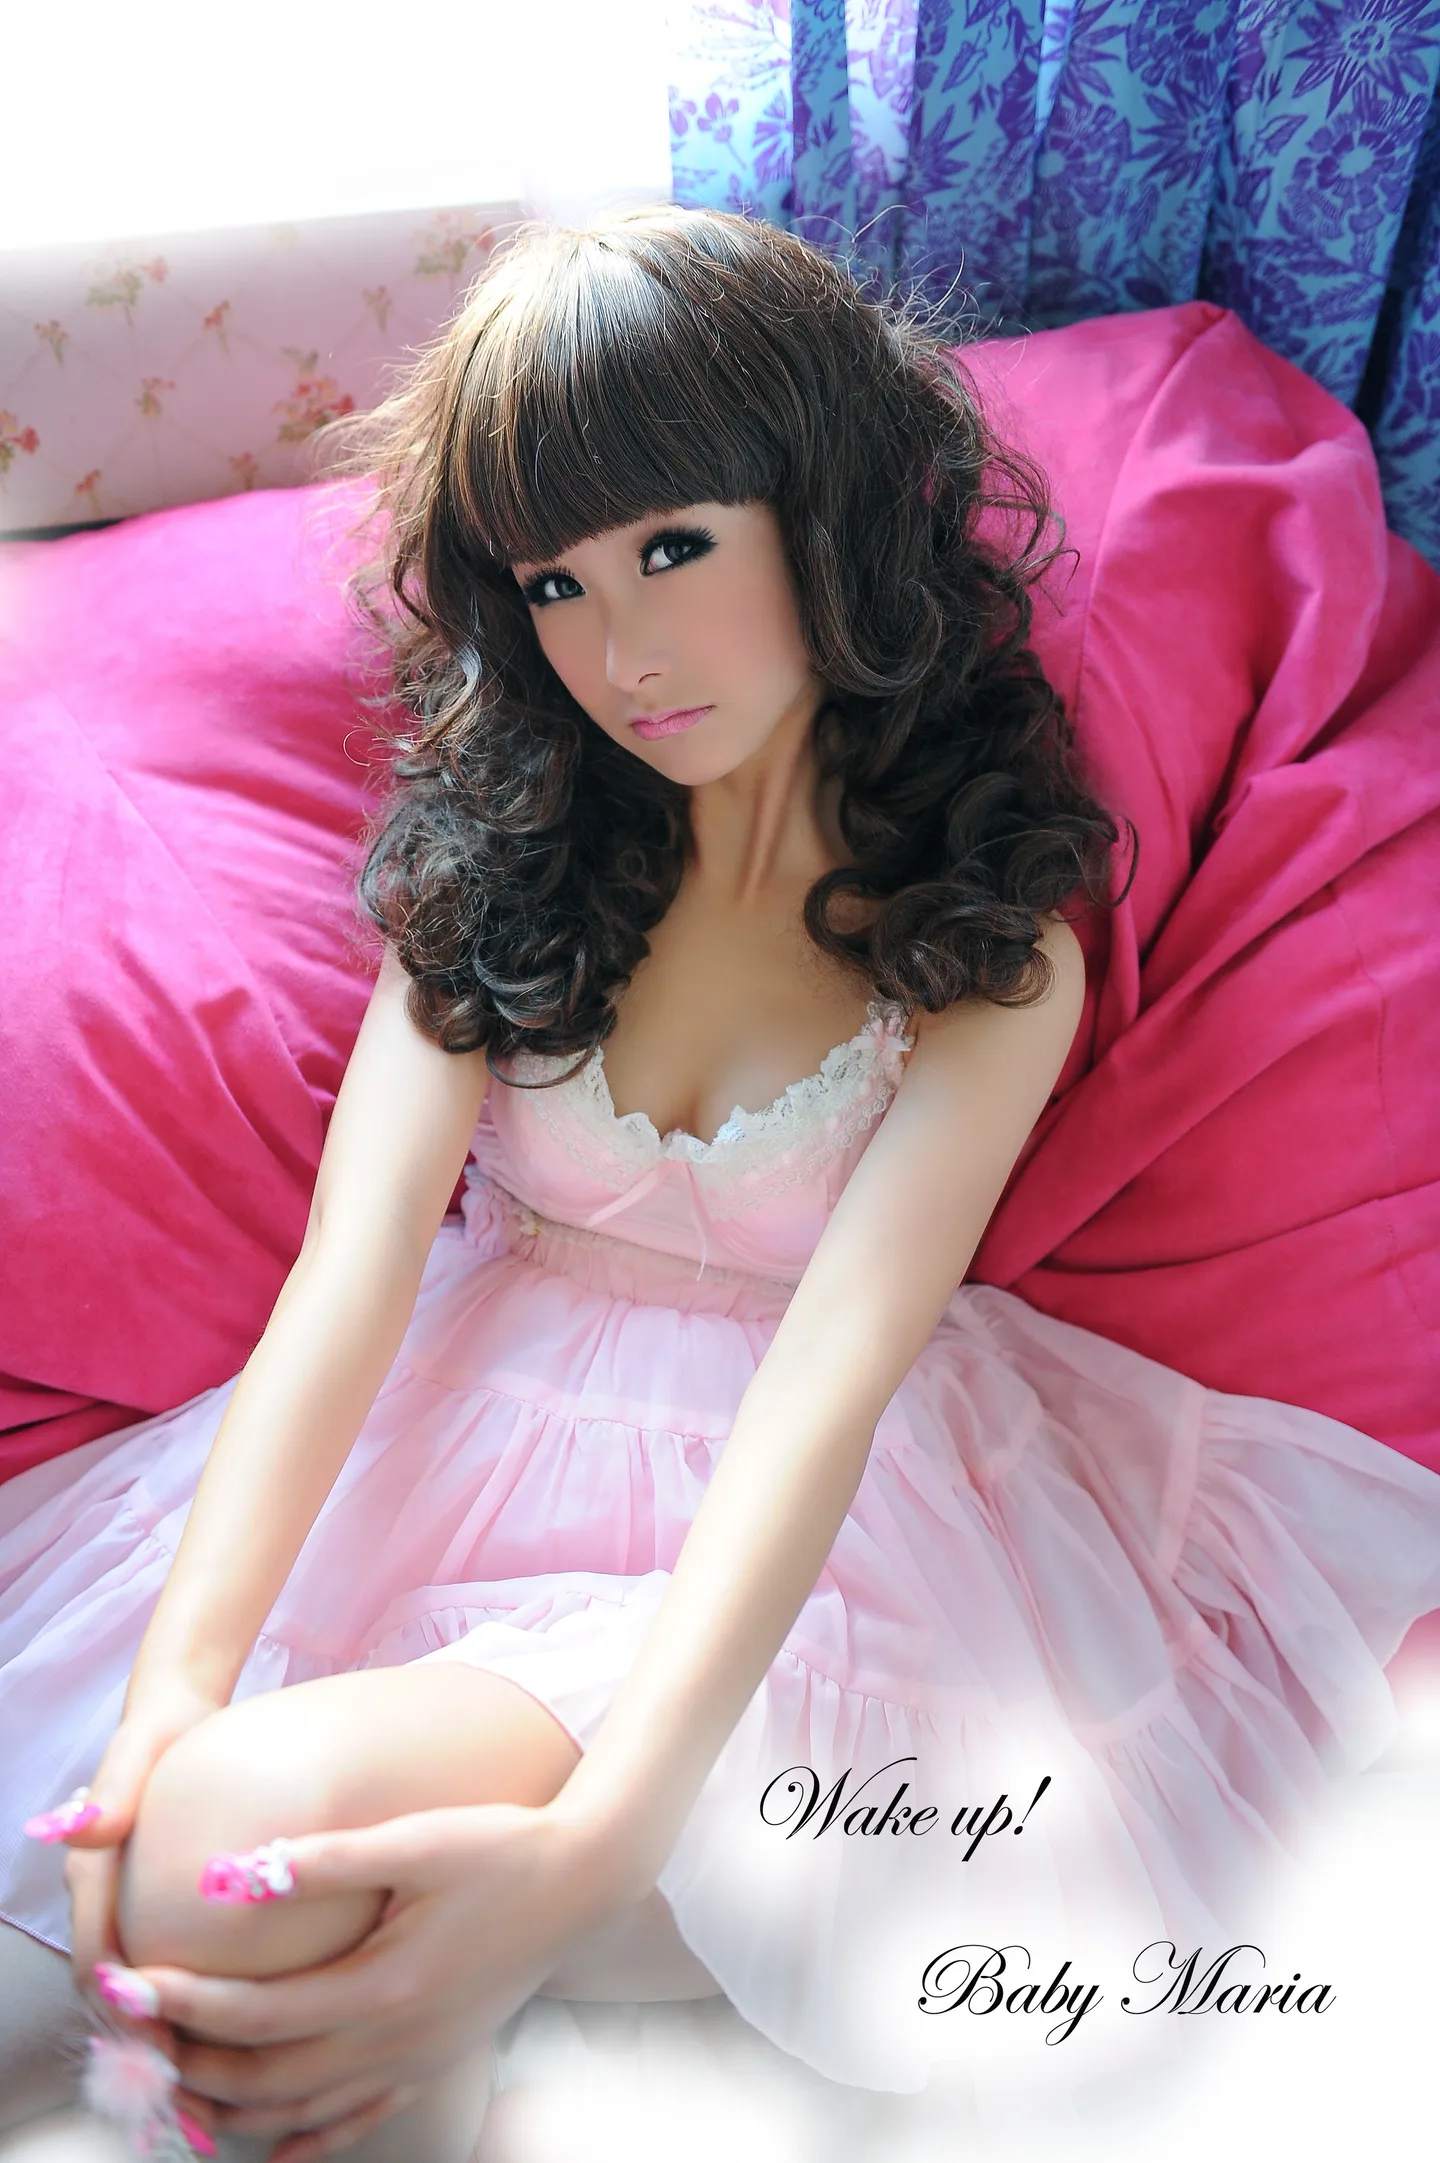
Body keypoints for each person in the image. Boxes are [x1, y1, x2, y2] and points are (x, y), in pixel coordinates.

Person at [2, 203, 1439, 2162]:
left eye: (674, 546)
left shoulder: (985, 938)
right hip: (436, 1453)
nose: (623, 651)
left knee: (240, 1868)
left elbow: (836, 1373)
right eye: (559, 583)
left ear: (823, 514)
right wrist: (169, 1688)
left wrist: (608, 1834)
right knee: (182, 1881)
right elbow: (346, 1279)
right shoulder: (500, 869)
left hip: (804, 1553)